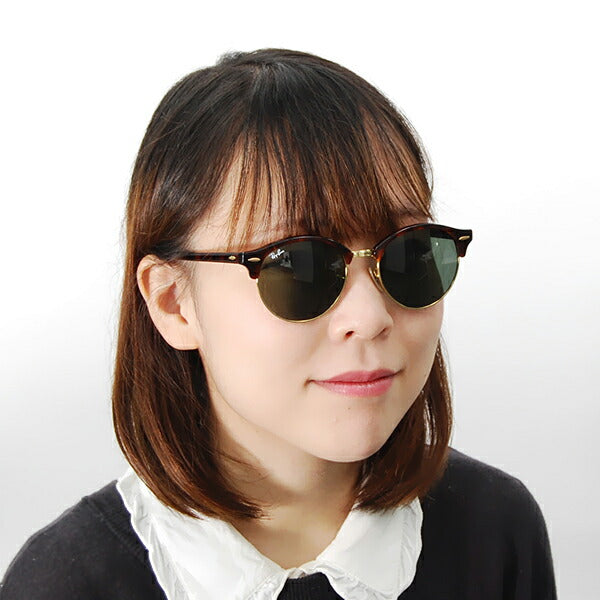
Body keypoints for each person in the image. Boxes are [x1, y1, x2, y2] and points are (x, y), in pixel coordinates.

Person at [0, 48, 557, 600]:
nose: (370, 317)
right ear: (173, 303)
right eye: (299, 267)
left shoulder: (496, 532)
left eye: (407, 254)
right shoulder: (66, 585)